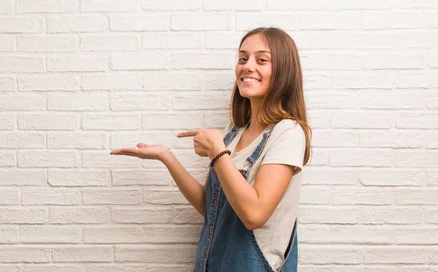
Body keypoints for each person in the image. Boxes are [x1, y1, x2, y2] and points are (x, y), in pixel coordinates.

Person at [110, 27, 312, 272]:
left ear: (284, 71)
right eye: (242, 58)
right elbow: (210, 207)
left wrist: (217, 153)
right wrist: (167, 157)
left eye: (261, 60)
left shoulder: (288, 133)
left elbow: (254, 215)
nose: (247, 66)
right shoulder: (234, 132)